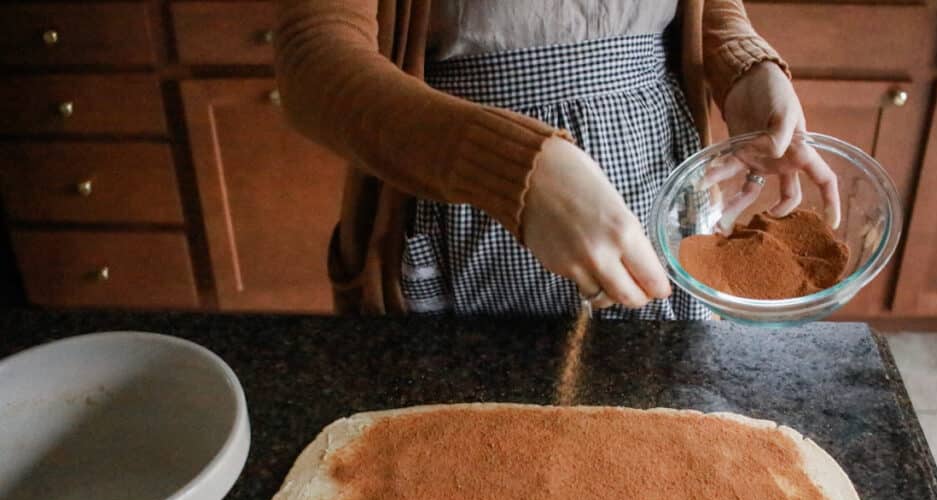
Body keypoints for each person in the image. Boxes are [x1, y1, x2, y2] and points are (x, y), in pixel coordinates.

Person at [274, 1, 839, 319]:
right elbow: (313, 61)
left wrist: (744, 71)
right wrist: (515, 169)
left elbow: (711, 7)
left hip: (659, 190)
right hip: (469, 216)